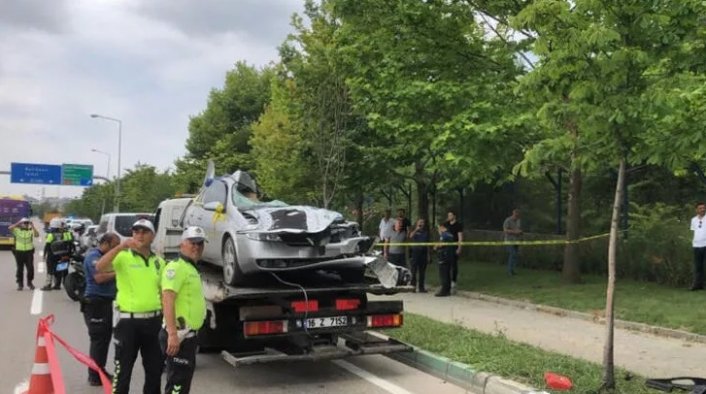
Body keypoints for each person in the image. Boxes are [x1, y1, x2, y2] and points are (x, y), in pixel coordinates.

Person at [96, 219, 164, 394]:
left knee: (155, 371)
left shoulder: (159, 261)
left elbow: (164, 292)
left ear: (152, 236)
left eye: (144, 232)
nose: (139, 235)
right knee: (123, 370)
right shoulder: (123, 256)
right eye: (136, 231)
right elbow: (100, 267)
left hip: (154, 321)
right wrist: (120, 247)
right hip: (128, 323)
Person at [160, 226, 208, 394]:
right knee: (177, 385)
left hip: (188, 337)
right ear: (182, 244)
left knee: (182, 383)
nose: (197, 246)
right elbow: (167, 299)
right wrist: (172, 334)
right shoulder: (177, 267)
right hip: (179, 336)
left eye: (200, 243)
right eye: (192, 242)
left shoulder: (191, 268)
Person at [82, 232, 120, 386]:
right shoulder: (93, 256)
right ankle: (94, 375)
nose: (116, 250)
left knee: (105, 339)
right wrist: (118, 272)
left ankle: (99, 370)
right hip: (95, 303)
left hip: (107, 303)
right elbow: (99, 278)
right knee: (98, 339)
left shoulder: (109, 258)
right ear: (105, 244)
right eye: (114, 246)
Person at [42, 221, 74, 291]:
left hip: (51, 255)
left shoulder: (51, 235)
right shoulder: (65, 234)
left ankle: (48, 285)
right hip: (61, 255)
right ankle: (57, 284)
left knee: (50, 270)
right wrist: (69, 254)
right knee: (59, 269)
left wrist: (44, 255)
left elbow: (47, 245)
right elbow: (69, 244)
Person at [9, 218, 39, 290]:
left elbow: (37, 235)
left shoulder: (30, 231)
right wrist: (18, 223)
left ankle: (30, 282)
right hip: (19, 252)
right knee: (20, 269)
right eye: (24, 223)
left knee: (30, 268)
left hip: (29, 252)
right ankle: (20, 284)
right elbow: (10, 228)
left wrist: (33, 226)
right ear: (21, 224)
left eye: (27, 223)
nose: (26, 224)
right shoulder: (17, 230)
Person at [443, 210, 464, 289]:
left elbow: (460, 237)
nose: (449, 217)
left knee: (454, 265)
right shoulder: (446, 224)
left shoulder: (458, 225)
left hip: (454, 247)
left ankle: (454, 281)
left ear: (454, 216)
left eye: (450, 215)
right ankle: (447, 281)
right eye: (448, 215)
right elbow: (440, 229)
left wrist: (459, 247)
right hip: (446, 247)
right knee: (446, 265)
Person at [408, 218, 430, 292]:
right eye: (420, 222)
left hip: (423, 253)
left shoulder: (426, 232)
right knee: (413, 271)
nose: (421, 223)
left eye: (422, 222)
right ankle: (413, 287)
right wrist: (416, 230)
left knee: (422, 272)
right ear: (417, 223)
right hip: (415, 253)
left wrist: (428, 255)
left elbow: (428, 244)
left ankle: (421, 287)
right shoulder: (413, 231)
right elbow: (410, 236)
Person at [434, 223, 455, 297]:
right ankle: (448, 290)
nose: (438, 230)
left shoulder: (444, 235)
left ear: (442, 227)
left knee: (443, 275)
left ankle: (443, 291)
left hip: (443, 256)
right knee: (448, 274)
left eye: (439, 228)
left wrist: (436, 246)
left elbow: (441, 244)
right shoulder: (450, 235)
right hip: (449, 257)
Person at [689, 202, 706, 291]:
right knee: (698, 266)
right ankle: (697, 285)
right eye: (700, 208)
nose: (702, 209)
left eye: (703, 208)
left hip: (705, 244)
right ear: (696, 210)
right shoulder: (693, 220)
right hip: (696, 245)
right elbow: (694, 231)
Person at [503, 209, 523, 276]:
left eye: (518, 216)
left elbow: (518, 229)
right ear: (513, 214)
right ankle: (509, 271)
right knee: (512, 254)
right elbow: (505, 230)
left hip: (516, 241)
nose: (517, 217)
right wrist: (515, 232)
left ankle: (512, 270)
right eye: (516, 215)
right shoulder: (508, 220)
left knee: (515, 256)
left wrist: (520, 232)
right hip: (509, 241)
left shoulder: (518, 221)